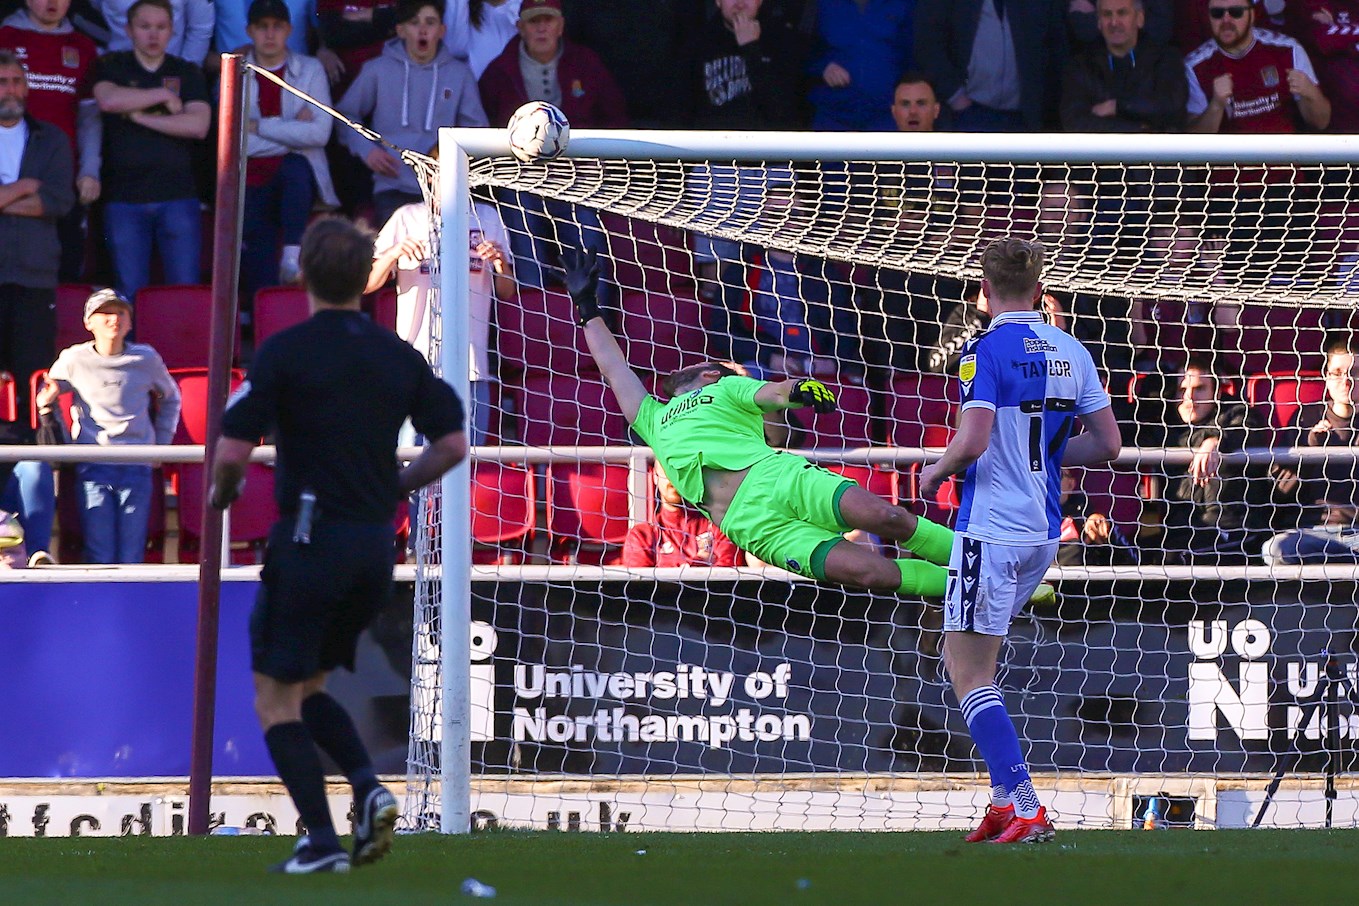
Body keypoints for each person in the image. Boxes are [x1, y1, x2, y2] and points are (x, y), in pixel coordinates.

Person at [565, 244, 1055, 605]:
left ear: (709, 373)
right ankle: (1002, 590)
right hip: (750, 524)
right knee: (871, 574)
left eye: (689, 369)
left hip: (778, 477)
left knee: (890, 519)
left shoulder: (724, 389)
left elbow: (771, 392)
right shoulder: (651, 417)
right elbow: (614, 367)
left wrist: (798, 391)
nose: (677, 375)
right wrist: (587, 309)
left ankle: (1003, 568)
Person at [210, 217, 467, 873]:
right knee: (311, 685)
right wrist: (395, 487)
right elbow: (454, 445)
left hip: (309, 538)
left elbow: (233, 448)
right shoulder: (397, 356)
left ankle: (322, 841)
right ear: (367, 282)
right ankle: (368, 787)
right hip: (373, 548)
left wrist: (221, 494)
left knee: (274, 698)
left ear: (304, 277)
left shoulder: (286, 350)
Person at [918, 237, 1121, 844]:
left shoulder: (983, 351)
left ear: (984, 292)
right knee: (974, 663)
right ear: (1039, 289)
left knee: (968, 670)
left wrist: (936, 470)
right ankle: (1003, 801)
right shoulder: (1071, 350)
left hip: (991, 529)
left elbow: (974, 439)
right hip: (1041, 532)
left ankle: (1026, 803)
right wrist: (1048, 456)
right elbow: (1107, 446)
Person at [478, 0, 624, 288]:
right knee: (522, 241)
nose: (541, 27)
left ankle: (600, 321)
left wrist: (601, 163)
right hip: (521, 181)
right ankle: (532, 323)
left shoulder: (587, 63)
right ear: (520, 27)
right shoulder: (499, 72)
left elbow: (616, 117)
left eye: (548, 20)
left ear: (561, 25)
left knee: (589, 242)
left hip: (577, 177)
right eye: (534, 21)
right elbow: (482, 128)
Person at [37, 288, 180, 563]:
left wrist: (160, 446)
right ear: (89, 322)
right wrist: (66, 440)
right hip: (93, 465)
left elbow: (172, 398)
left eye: (120, 314)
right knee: (100, 553)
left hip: (137, 464)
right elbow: (49, 395)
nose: (114, 320)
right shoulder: (74, 358)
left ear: (129, 322)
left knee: (131, 555)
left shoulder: (146, 358)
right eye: (105, 314)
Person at [365, 195, 514, 444]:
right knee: (412, 458)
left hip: (471, 363)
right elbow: (367, 284)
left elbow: (507, 291)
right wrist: (392, 254)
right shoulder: (407, 216)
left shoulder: (487, 216)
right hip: (416, 361)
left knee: (468, 460)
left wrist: (500, 263)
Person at [92, 0, 211, 303]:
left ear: (172, 31)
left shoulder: (187, 71)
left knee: (183, 293)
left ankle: (184, 353)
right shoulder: (112, 65)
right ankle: (134, 352)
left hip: (178, 197)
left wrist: (139, 116)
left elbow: (198, 125)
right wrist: (160, 95)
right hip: (124, 200)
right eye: (145, 26)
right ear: (128, 29)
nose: (153, 34)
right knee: (129, 295)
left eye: (161, 27)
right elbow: (108, 100)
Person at [337, 0, 486, 225]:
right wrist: (367, 150)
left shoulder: (460, 74)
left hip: (444, 191)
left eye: (430, 22)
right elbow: (345, 116)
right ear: (401, 30)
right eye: (414, 23)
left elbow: (478, 132)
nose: (423, 30)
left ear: (442, 31)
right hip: (392, 187)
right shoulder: (377, 69)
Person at [0, 48, 74, 492]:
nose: (10, 90)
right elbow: (38, 196)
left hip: (33, 275)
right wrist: (25, 187)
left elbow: (58, 201)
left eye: (16, 81)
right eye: (2, 81)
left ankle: (29, 479)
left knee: (31, 375)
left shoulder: (51, 139)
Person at [240, 0, 339, 297]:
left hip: (295, 177)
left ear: (289, 30)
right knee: (259, 255)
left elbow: (320, 133)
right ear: (249, 31)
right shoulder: (236, 73)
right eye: (262, 27)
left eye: (277, 26)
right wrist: (293, 128)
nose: (270, 34)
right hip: (250, 178)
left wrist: (260, 126)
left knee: (294, 168)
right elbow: (237, 140)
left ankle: (292, 255)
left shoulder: (310, 69)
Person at [0, 0, 102, 280]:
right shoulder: (6, 37)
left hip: (62, 177)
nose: (53, 2)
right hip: (9, 174)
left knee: (65, 268)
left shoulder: (83, 47)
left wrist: (89, 170)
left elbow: (89, 119)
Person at [1261, 339, 1359, 564]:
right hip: (1313, 532)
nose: (1346, 381)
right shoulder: (1305, 418)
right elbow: (1278, 489)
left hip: (1357, 532)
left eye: (1354, 372)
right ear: (1326, 376)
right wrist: (1309, 450)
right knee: (1274, 550)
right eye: (1337, 373)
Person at [914, 0, 1069, 131]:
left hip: (1024, 118)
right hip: (966, 114)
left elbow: (1055, 47)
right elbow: (928, 43)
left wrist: (1040, 105)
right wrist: (956, 97)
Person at [1186, 0, 1330, 135]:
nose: (1226, 20)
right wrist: (1216, 105)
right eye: (1217, 13)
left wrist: (1310, 91)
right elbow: (1191, 144)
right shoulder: (1195, 66)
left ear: (1252, 15)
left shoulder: (1287, 49)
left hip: (1283, 157)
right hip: (1230, 160)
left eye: (1236, 12)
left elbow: (1321, 122)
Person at [1060, 0, 1187, 132]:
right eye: (1107, 14)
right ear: (1098, 22)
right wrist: (1138, 129)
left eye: (1122, 13)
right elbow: (1074, 122)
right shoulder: (1080, 66)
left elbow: (1172, 108)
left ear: (1140, 18)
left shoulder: (1166, 59)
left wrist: (1117, 107)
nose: (1114, 22)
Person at [689, 0, 802, 130]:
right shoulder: (697, 44)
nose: (740, 4)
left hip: (765, 144)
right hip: (714, 144)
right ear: (718, 2)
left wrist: (750, 48)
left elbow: (783, 113)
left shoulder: (783, 40)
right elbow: (680, 110)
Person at [807, 0, 915, 131]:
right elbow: (798, 49)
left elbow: (915, 54)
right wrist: (823, 67)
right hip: (832, 114)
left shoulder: (903, 4)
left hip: (887, 116)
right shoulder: (820, 4)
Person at [623, 460, 747, 567]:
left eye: (679, 472)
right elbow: (639, 588)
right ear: (655, 476)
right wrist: (698, 563)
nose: (673, 479)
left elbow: (728, 579)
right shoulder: (641, 536)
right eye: (667, 472)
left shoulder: (719, 526)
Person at [98, 0, 212, 62]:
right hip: (117, 70)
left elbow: (200, 28)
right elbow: (90, 16)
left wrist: (186, 70)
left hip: (171, 74)